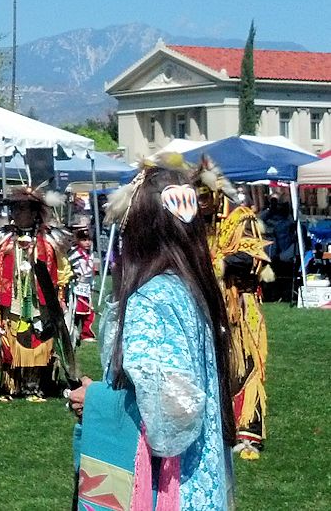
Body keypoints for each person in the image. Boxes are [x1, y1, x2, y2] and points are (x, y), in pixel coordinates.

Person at [67, 164, 236, 510]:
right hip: (203, 482)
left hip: (167, 490)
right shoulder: (193, 288)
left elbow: (172, 414)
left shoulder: (152, 299)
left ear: (140, 230)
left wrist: (96, 400)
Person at [195, 158, 272, 461]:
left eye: (204, 196)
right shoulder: (200, 224)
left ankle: (249, 435)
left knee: (247, 367)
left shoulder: (241, 218)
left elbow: (255, 258)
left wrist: (221, 263)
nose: (201, 203)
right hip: (212, 305)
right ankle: (224, 430)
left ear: (216, 193)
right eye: (196, 197)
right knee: (218, 368)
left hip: (242, 306)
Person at [0, 185, 73, 402]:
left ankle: (35, 387)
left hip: (41, 302)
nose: (19, 214)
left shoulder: (49, 240)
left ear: (35, 213)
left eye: (24, 210)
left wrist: (61, 296)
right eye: (16, 210)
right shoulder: (3, 240)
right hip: (12, 301)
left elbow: (62, 269)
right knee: (9, 342)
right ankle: (11, 386)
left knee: (38, 343)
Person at [69, 225, 99, 343]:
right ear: (78, 240)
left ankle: (86, 333)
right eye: (84, 240)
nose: (87, 243)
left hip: (87, 286)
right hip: (77, 286)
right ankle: (74, 330)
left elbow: (91, 271)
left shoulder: (91, 254)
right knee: (77, 310)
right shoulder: (74, 253)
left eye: (89, 240)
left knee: (89, 312)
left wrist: (92, 285)